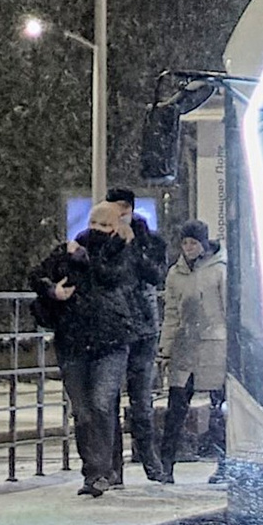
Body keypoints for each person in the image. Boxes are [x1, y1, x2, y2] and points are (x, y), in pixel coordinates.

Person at [28, 203, 139, 495]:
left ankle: (102, 471)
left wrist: (87, 259)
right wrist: (54, 291)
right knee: (83, 410)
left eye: (104, 226)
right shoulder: (66, 252)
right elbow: (35, 276)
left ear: (115, 227)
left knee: (102, 404)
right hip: (73, 340)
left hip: (110, 341)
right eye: (94, 224)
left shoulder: (123, 251)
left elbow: (113, 277)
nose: (98, 231)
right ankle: (92, 471)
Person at [108, 186, 175, 484]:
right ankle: (113, 468)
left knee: (141, 400)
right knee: (107, 399)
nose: (119, 213)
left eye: (123, 207)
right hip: (110, 330)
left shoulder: (150, 240)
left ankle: (150, 461)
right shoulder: (101, 239)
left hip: (143, 329)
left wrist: (132, 245)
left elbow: (155, 274)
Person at [158, 218, 228, 476]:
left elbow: (227, 308)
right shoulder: (176, 274)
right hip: (185, 345)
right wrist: (165, 347)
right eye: (184, 243)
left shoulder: (220, 269)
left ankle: (223, 462)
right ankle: (166, 464)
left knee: (218, 408)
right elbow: (172, 313)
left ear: (203, 243)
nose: (188, 248)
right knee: (176, 407)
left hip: (215, 346)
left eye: (193, 243)